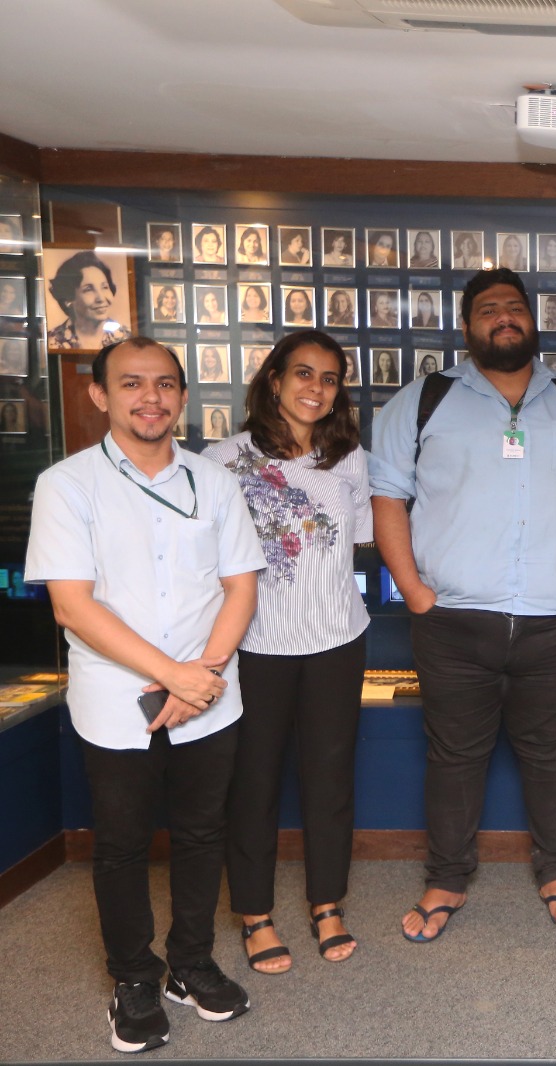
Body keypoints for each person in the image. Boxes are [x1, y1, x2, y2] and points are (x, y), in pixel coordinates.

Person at [370, 267, 556, 941]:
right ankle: (446, 878)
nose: (504, 318)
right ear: (467, 327)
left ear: (533, 321)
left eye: (514, 307)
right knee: (454, 757)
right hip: (453, 621)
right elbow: (387, 498)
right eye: (488, 309)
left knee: (553, 755)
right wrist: (415, 591)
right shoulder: (423, 401)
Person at [25, 336, 263, 1053]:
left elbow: (240, 587)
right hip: (115, 697)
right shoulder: (66, 485)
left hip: (210, 693)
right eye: (131, 384)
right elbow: (72, 605)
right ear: (100, 395)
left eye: (163, 384)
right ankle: (133, 976)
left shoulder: (214, 482)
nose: (149, 397)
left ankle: (190, 964)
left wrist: (202, 675)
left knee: (202, 832)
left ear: (183, 397)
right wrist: (175, 673)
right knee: (123, 843)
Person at [203, 330, 371, 976]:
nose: (316, 389)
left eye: (329, 379)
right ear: (273, 380)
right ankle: (255, 914)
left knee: (330, 778)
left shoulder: (349, 459)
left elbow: (353, 546)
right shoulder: (223, 460)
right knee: (254, 781)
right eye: (303, 374)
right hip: (256, 645)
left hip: (336, 639)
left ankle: (327, 904)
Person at [47, 250, 131, 351]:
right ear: (68, 299)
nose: (101, 298)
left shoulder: (128, 339)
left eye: (105, 287)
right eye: (88, 289)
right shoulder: (51, 343)